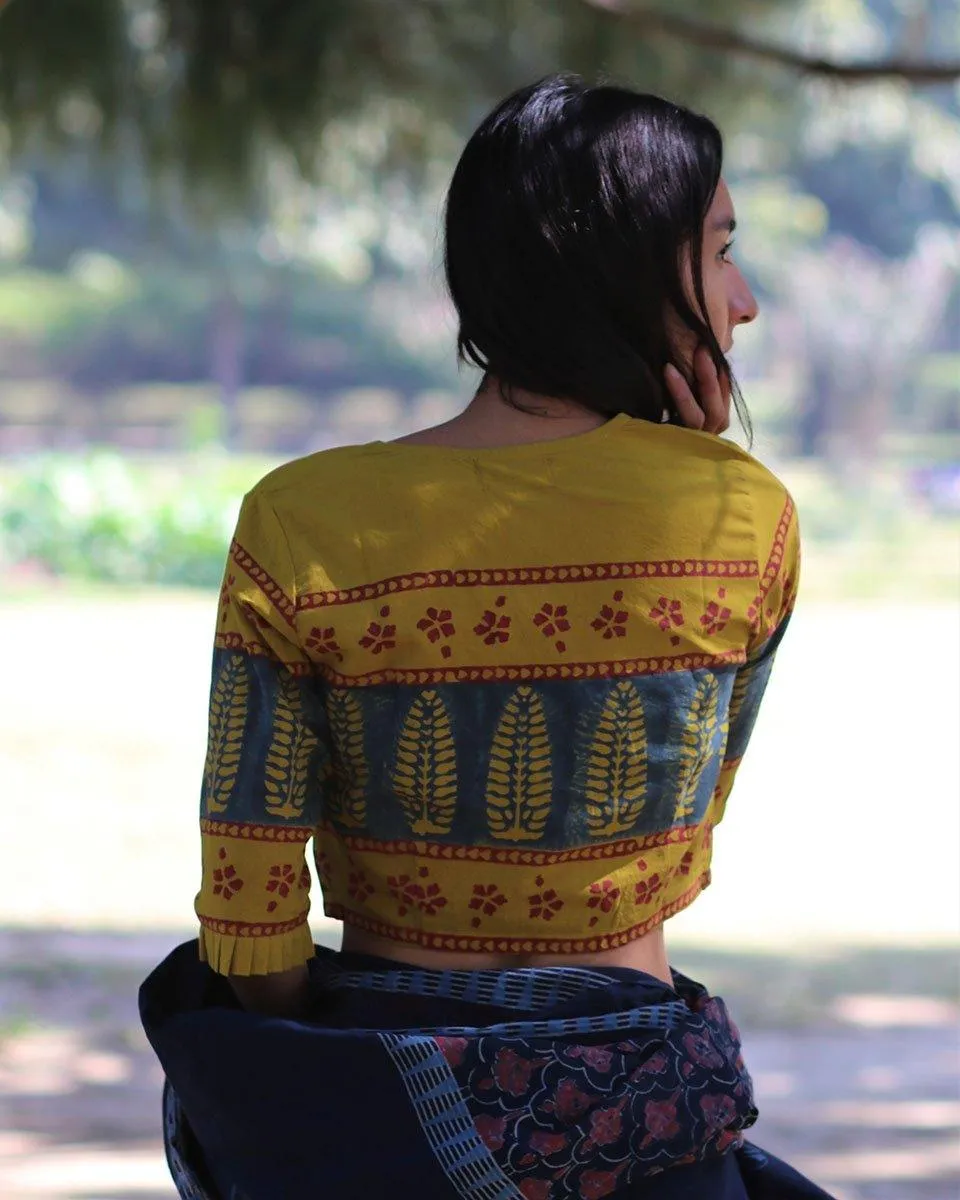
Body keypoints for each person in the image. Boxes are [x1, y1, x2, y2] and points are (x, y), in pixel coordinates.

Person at [140, 75, 834, 1199]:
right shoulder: (741, 518)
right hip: (645, 1119)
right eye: (718, 252)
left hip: (379, 1121)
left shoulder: (303, 517)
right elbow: (681, 842)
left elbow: (250, 927)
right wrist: (697, 469)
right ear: (618, 262)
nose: (744, 299)